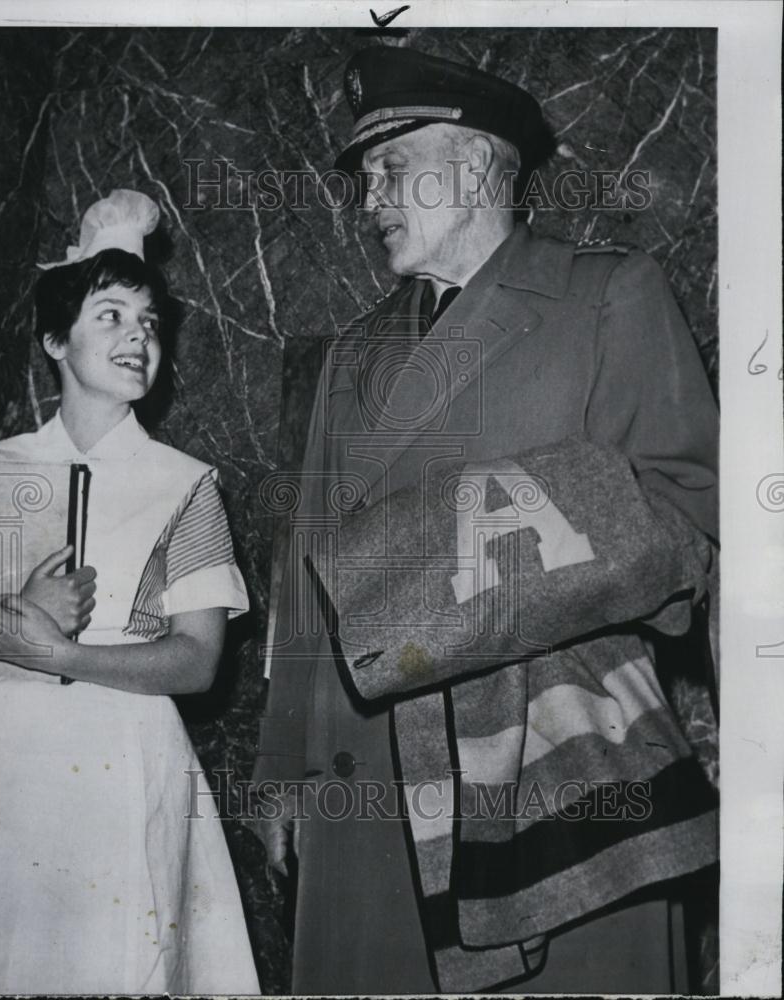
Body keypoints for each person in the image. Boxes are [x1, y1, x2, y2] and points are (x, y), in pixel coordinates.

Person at [253, 47, 719, 994]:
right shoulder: (349, 353)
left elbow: (686, 516)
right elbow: (304, 577)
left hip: (552, 766)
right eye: (363, 177)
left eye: (391, 168)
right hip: (364, 776)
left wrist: (437, 576)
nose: (368, 196)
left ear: (471, 166)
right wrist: (285, 773)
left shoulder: (604, 294)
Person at [0, 190, 260, 995]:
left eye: (149, 324)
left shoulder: (186, 485)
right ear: (54, 338)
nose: (136, 339)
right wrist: (3, 630)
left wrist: (64, 652)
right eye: (110, 315)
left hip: (121, 759)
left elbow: (196, 662)